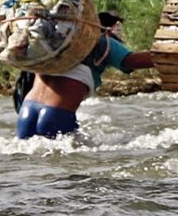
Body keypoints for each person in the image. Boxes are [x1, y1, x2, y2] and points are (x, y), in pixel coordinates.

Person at [15, 10, 154, 139]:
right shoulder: (102, 41)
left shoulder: (57, 43)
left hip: (26, 112)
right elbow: (133, 61)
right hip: (56, 114)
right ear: (107, 28)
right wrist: (170, 54)